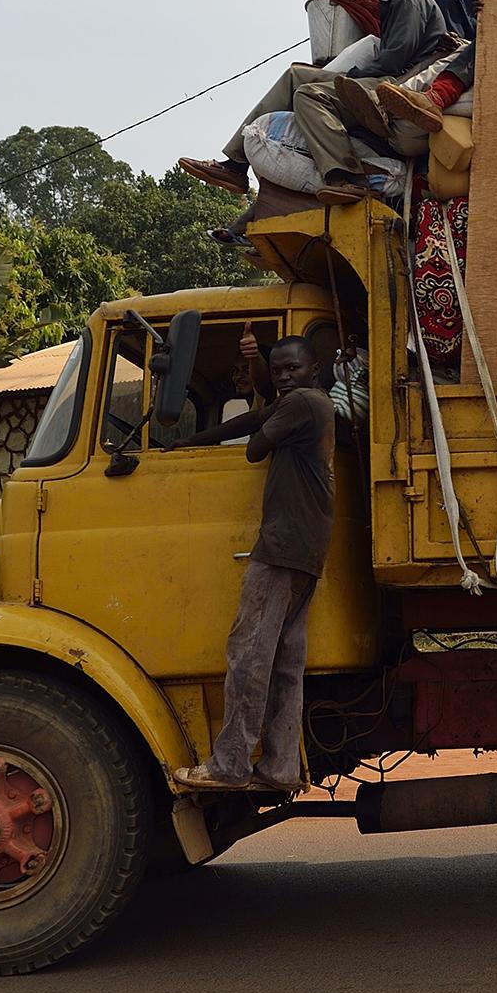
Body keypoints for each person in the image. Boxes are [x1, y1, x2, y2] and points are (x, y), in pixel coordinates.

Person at [170, 336, 335, 795]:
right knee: (285, 662)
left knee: (248, 656)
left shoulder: (300, 403)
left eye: (292, 368)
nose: (284, 376)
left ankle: (230, 764)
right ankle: (280, 767)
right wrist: (193, 439)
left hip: (281, 548)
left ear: (313, 369)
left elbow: (254, 446)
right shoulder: (309, 404)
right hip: (307, 548)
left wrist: (260, 388)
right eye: (277, 369)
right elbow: (249, 421)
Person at [182, 0, 445, 204]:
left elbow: (395, 60)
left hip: (396, 84)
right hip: (382, 75)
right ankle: (235, 165)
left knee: (309, 95)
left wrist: (350, 75)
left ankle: (347, 176)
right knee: (295, 74)